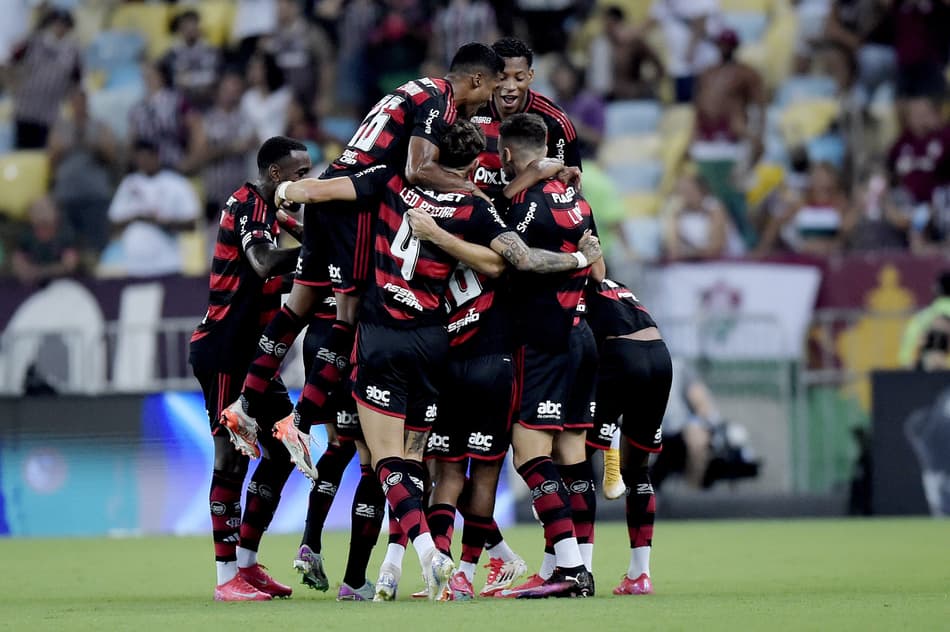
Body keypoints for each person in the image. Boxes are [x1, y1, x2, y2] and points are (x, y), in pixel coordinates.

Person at [273, 119, 603, 601]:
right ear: (474, 164)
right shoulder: (476, 207)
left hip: (386, 334)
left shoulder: (389, 181)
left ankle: (425, 554)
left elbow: (321, 192)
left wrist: (285, 190)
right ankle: (454, 567)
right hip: (436, 345)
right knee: (459, 465)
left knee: (390, 460)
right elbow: (508, 261)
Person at [221, 43, 506, 481]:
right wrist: (473, 191)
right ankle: (295, 423)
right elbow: (416, 169)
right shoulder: (440, 100)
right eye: (489, 90)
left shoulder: (413, 90)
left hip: (333, 192)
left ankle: (245, 403)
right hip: (353, 204)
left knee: (297, 308)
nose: (487, 102)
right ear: (475, 80)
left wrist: (298, 193)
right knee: (351, 317)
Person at [478, 112, 599, 598]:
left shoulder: (525, 203)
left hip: (543, 339)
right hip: (580, 332)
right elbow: (596, 265)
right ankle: (574, 567)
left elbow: (515, 254)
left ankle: (569, 570)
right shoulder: (576, 197)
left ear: (507, 155)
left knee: (530, 456)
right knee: (572, 456)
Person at [188, 136, 312, 602]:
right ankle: (225, 581)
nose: (307, 181)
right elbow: (261, 263)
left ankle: (246, 564)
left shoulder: (270, 211)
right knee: (231, 454)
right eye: (300, 173)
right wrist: (314, 255)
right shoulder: (248, 205)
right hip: (224, 351)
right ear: (276, 174)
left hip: (255, 358)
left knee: (283, 448)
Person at [582, 275, 672, 596]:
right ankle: (640, 574)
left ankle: (580, 570)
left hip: (620, 355)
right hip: (660, 356)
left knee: (574, 463)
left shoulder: (570, 287)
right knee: (638, 471)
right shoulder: (617, 285)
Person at [690, 28, 765, 246]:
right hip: (707, 142)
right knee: (712, 197)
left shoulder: (747, 73)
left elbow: (759, 108)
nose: (724, 49)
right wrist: (692, 138)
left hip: (732, 143)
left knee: (735, 197)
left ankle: (750, 243)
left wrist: (756, 138)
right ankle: (720, 242)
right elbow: (699, 108)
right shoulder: (707, 73)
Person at [105, 139, 200, 277]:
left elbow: (191, 224)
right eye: (139, 158)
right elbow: (113, 222)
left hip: (168, 264)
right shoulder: (129, 183)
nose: (143, 162)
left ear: (156, 156)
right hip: (134, 266)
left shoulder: (176, 183)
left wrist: (162, 222)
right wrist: (137, 217)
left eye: (147, 157)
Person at [47, 87, 118, 256]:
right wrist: (67, 146)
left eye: (82, 102)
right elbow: (51, 159)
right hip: (67, 195)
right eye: (75, 102)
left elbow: (111, 156)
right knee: (67, 246)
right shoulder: (60, 128)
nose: (79, 106)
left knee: (96, 244)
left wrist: (91, 145)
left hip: (94, 194)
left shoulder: (100, 126)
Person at [181, 71, 257, 222]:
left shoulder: (246, 118)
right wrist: (230, 148)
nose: (232, 95)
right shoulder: (206, 120)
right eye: (228, 90)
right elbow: (196, 158)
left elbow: (255, 143)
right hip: (215, 198)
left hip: (241, 196)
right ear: (218, 92)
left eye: (236, 90)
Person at [10, 8, 81, 149]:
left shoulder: (73, 51)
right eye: (57, 22)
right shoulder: (33, 42)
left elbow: (77, 81)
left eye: (64, 24)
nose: (59, 27)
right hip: (25, 109)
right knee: (22, 151)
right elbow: (13, 58)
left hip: (49, 114)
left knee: (42, 154)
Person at [756, 162, 853, 257]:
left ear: (833, 179)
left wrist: (830, 245)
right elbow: (776, 223)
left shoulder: (840, 204)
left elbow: (845, 233)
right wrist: (763, 249)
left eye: (824, 176)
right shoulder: (801, 203)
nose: (820, 181)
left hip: (830, 255)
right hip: (803, 255)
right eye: (817, 176)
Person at [587, 5, 665, 101]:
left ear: (619, 23)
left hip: (634, 97)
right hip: (609, 98)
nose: (607, 28)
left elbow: (659, 67)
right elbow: (598, 81)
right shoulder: (601, 45)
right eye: (605, 25)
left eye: (610, 25)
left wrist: (644, 86)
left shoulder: (634, 43)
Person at [128, 61, 189, 170]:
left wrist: (190, 160)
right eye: (146, 75)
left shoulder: (176, 100)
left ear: (161, 76)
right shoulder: (137, 108)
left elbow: (193, 126)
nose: (149, 78)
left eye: (152, 74)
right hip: (147, 167)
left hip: (173, 163)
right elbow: (134, 138)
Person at [662, 172, 733, 261]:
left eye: (689, 190)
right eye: (680, 191)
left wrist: (690, 254)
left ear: (701, 190)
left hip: (719, 261)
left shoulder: (715, 208)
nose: (685, 195)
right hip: (691, 261)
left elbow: (716, 247)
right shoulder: (676, 213)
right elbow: (673, 250)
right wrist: (672, 216)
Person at [11, 195, 80, 286]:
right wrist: (25, 271)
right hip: (30, 287)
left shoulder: (66, 234)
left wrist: (40, 272)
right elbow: (18, 261)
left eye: (44, 209)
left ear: (55, 212)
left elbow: (69, 265)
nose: (41, 215)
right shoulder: (25, 235)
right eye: (37, 210)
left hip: (64, 286)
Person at [161, 9, 221, 110]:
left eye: (193, 25)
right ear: (180, 29)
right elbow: (175, 81)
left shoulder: (212, 51)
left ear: (199, 27)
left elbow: (213, 78)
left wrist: (187, 79)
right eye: (186, 26)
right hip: (180, 105)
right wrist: (200, 79)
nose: (190, 30)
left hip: (208, 103)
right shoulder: (171, 55)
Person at [898, 271, 950, 368]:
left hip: (929, 369)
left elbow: (910, 337)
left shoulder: (925, 315)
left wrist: (906, 361)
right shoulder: (930, 314)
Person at [241, 52, 294, 146]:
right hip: (257, 152)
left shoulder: (284, 95)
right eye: (251, 68)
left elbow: (292, 126)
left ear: (268, 69)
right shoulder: (247, 98)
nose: (253, 72)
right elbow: (246, 131)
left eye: (257, 68)